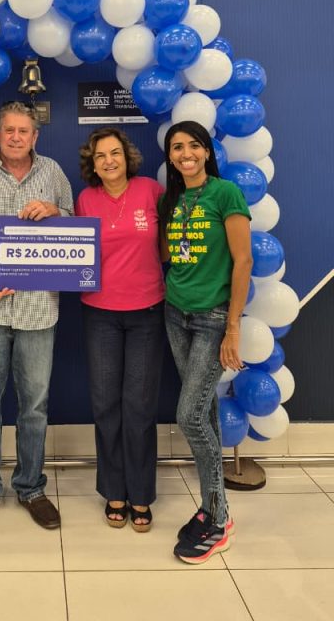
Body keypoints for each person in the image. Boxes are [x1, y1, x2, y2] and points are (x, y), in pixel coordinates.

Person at [0, 100, 73, 534]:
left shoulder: (53, 172)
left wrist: (56, 212)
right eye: (10, 130)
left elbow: (75, 230)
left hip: (39, 309)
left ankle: (31, 487)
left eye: (24, 131)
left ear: (35, 136)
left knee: (34, 407)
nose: (17, 137)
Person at [159, 120, 252, 564]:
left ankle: (218, 518)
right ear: (170, 156)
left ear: (207, 151)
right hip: (175, 313)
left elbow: (243, 261)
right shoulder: (172, 199)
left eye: (193, 145)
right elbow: (169, 256)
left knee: (189, 416)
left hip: (214, 318)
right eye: (177, 147)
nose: (186, 154)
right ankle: (211, 508)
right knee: (206, 413)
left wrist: (233, 327)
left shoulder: (225, 193)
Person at [75, 127, 165, 532]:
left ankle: (141, 493)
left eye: (114, 153)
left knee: (139, 407)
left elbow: (171, 242)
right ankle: (114, 489)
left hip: (147, 311)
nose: (108, 161)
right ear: (92, 165)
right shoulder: (85, 199)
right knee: (106, 405)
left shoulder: (151, 191)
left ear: (127, 157)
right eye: (100, 156)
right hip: (99, 314)